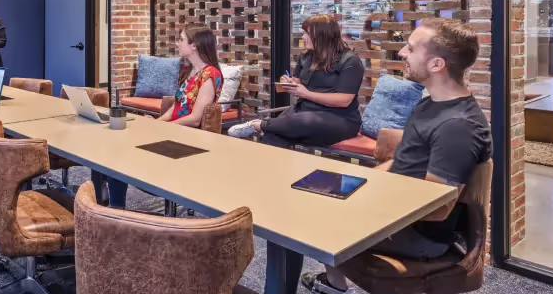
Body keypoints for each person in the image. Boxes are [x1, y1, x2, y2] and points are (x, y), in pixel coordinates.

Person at [266, 17, 492, 294]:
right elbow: (401, 161)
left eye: (411, 48)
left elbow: (436, 207)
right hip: (394, 209)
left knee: (293, 217)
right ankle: (336, 286)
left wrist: (362, 201)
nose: (401, 53)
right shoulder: (431, 106)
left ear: (437, 64)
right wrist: (357, 182)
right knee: (307, 190)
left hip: (417, 233)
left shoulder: (458, 127)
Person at [91, 25, 224, 208]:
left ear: (194, 45)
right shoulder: (190, 71)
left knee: (120, 153)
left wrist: (163, 127)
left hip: (186, 139)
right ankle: (104, 198)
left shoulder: (210, 76)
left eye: (181, 39)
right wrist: (156, 123)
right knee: (111, 144)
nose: (177, 43)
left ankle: (115, 207)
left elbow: (195, 119)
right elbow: (176, 107)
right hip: (172, 131)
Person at [248, 14, 364, 148]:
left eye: (307, 34)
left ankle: (257, 125)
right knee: (276, 132)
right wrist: (289, 82)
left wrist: (306, 94)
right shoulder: (306, 55)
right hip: (304, 110)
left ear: (322, 36)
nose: (303, 37)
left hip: (340, 118)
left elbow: (344, 100)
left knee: (301, 121)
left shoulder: (350, 61)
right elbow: (298, 81)